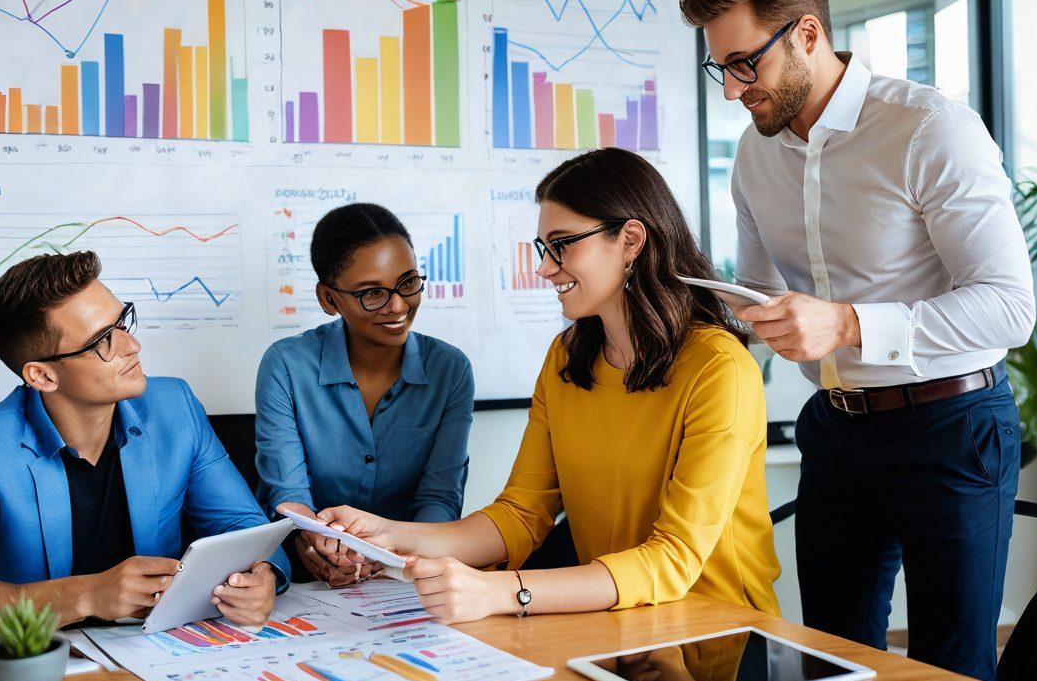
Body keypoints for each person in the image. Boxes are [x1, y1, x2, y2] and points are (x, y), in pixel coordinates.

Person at [679, 0, 1034, 681]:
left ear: (807, 32)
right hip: (837, 430)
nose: (733, 89)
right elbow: (759, 294)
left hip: (954, 428)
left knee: (952, 676)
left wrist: (844, 323)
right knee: (834, 663)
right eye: (721, 66)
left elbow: (1009, 309)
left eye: (747, 64)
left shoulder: (930, 130)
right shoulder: (754, 153)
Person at [301, 149, 780, 622]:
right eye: (543, 249)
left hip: (722, 633)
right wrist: (386, 533)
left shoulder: (719, 369)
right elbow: (521, 513)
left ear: (630, 240)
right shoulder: (568, 358)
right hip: (617, 622)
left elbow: (672, 560)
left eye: (563, 245)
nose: (545, 267)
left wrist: (502, 592)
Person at [0, 251, 290, 642]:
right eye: (103, 340)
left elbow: (244, 528)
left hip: (158, 649)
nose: (132, 345)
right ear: (43, 376)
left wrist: (262, 577)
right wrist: (86, 594)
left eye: (123, 322)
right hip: (47, 661)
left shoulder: (174, 407)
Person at [257, 203, 474, 585]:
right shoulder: (286, 366)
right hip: (310, 574)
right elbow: (289, 496)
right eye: (372, 293)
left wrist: (391, 557)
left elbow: (440, 499)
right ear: (328, 299)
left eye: (408, 282)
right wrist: (320, 545)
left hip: (407, 572)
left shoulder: (450, 370)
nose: (397, 305)